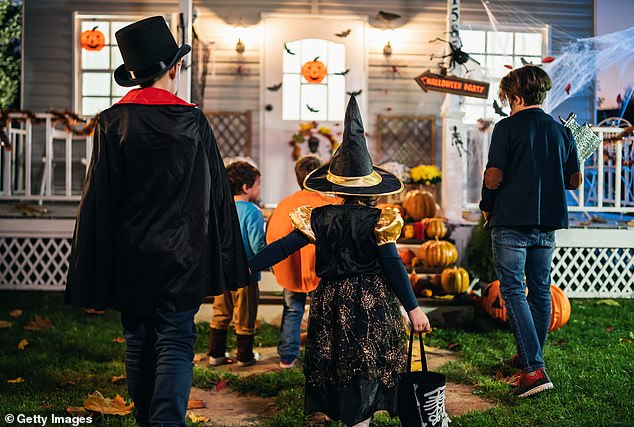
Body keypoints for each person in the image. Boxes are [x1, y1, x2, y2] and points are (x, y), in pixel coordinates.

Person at [64, 16, 250, 427]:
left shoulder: (112, 122)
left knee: (138, 337)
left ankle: (147, 418)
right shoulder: (192, 121)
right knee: (175, 338)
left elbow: (101, 196)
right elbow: (216, 192)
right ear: (174, 68)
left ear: (135, 76)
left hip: (130, 250)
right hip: (183, 252)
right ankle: (165, 421)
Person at [249, 96, 430, 427]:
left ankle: (349, 414)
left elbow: (282, 247)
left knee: (338, 361)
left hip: (331, 301)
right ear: (371, 186)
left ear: (336, 185)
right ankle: (359, 420)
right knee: (366, 360)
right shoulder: (379, 219)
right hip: (372, 301)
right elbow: (393, 266)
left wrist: (247, 266)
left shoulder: (318, 217)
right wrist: (414, 308)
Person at [479, 65, 582, 398]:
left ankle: (533, 371)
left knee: (512, 290)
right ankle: (529, 357)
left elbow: (494, 175)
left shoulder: (507, 127)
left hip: (511, 219)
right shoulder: (562, 132)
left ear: (517, 98)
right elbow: (573, 180)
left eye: (509, 99)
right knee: (539, 291)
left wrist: (486, 205)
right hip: (548, 222)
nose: (509, 105)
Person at [265, 155, 340, 368]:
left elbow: (272, 235)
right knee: (323, 312)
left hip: (291, 269)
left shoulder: (285, 204)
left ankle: (287, 356)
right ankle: (322, 357)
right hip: (320, 269)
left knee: (292, 309)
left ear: (298, 178)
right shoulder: (330, 204)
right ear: (323, 177)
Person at [208, 160, 266, 367]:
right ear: (246, 187)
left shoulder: (220, 208)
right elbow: (257, 243)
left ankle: (215, 354)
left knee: (221, 312)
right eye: (258, 184)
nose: (259, 189)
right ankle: (244, 356)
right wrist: (266, 261)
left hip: (222, 271)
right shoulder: (252, 212)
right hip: (246, 273)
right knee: (245, 314)